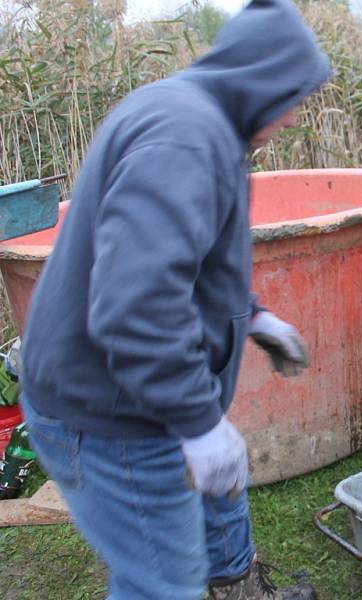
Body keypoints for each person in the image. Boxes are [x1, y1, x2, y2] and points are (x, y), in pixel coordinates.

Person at [19, 1, 331, 599]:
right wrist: (198, 421)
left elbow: (192, 261)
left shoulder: (201, 118)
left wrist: (253, 314)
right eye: (293, 99)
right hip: (110, 415)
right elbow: (135, 306)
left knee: (219, 507)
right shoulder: (187, 141)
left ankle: (240, 589)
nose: (294, 118)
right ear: (261, 81)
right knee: (162, 583)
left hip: (140, 393)